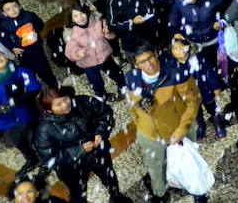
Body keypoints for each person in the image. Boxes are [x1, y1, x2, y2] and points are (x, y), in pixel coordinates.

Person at [125, 46, 205, 203]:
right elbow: (132, 106)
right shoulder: (131, 78)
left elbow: (193, 101)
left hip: (178, 130)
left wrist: (182, 129)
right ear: (136, 65)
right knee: (156, 168)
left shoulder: (175, 72)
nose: (148, 64)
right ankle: (161, 194)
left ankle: (198, 191)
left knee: (189, 163)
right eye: (142, 62)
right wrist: (140, 124)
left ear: (156, 54)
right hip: (151, 136)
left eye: (150, 58)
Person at [33, 86, 133, 203]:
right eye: (58, 104)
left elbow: (105, 112)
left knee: (109, 177)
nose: (65, 105)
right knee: (78, 194)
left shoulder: (83, 102)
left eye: (65, 99)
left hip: (98, 153)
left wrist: (101, 133)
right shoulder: (44, 129)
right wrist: (79, 150)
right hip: (72, 168)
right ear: (49, 110)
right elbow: (49, 158)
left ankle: (115, 196)